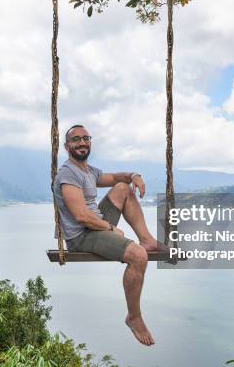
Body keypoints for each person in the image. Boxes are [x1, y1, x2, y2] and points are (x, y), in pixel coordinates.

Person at [52, 124, 167, 346]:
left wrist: (135, 175)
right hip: (82, 236)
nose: (82, 142)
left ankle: (148, 239)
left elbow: (115, 177)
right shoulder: (68, 173)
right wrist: (110, 228)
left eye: (86, 138)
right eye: (76, 139)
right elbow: (81, 216)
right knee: (138, 255)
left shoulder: (88, 171)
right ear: (67, 146)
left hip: (96, 226)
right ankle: (133, 316)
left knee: (123, 187)